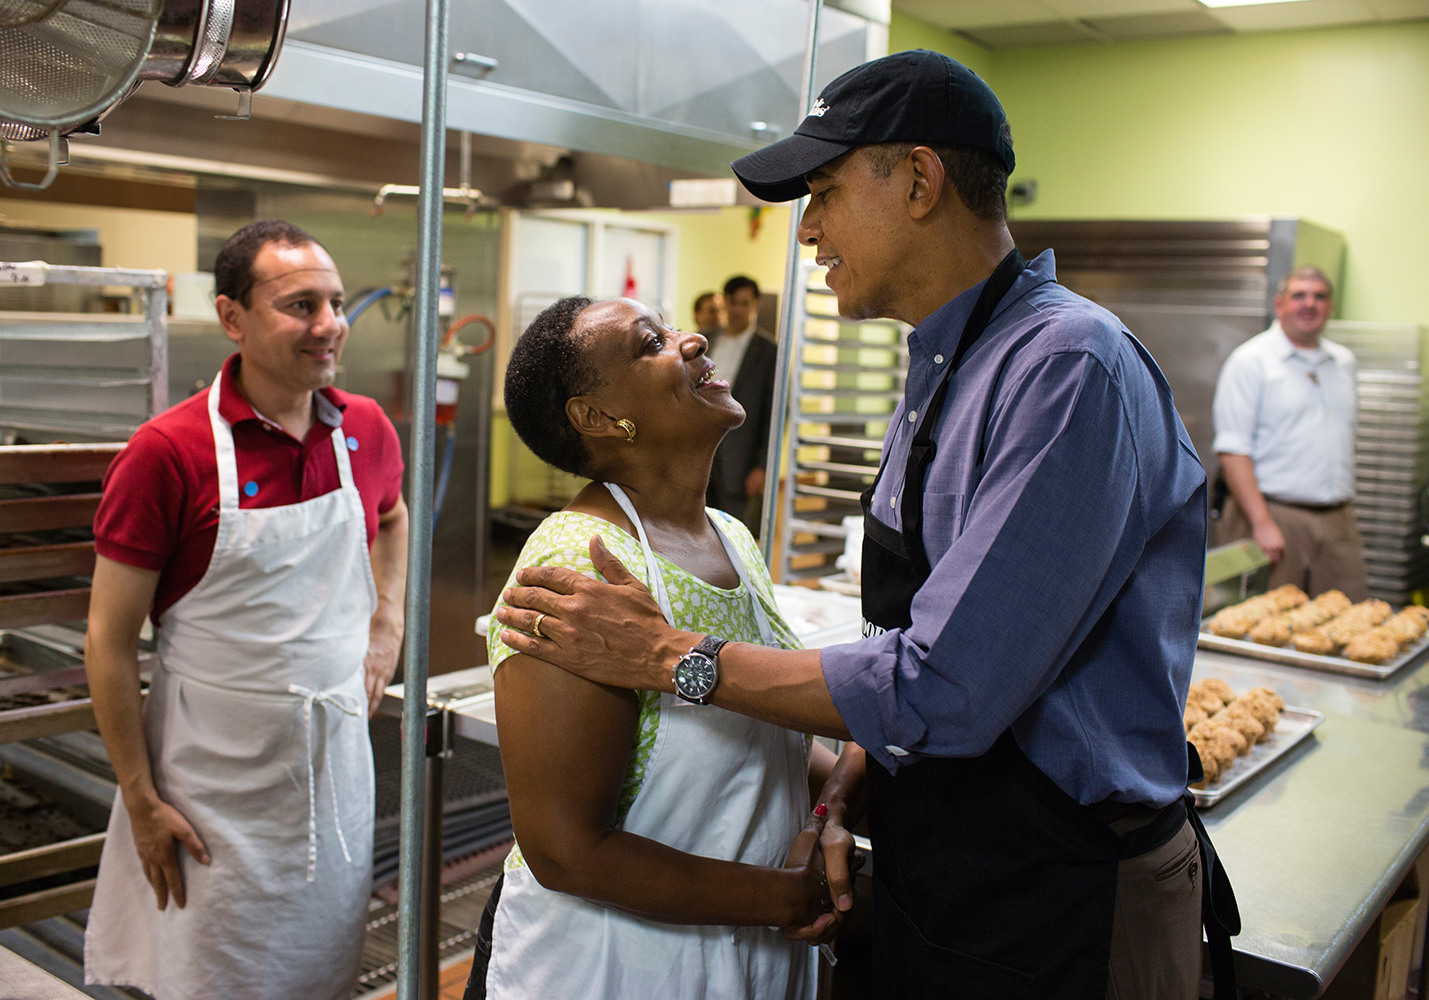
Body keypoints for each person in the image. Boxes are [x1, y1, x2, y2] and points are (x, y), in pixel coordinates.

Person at [494, 49, 1241, 1000]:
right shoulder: (945, 369)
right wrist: (852, 777)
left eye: (827, 190)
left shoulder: (1065, 368)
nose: (808, 229)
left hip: (1065, 897)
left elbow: (949, 683)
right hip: (960, 876)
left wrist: (666, 656)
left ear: (922, 180)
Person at [463, 295, 836, 1000]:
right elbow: (568, 851)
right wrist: (787, 899)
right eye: (650, 343)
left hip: (747, 956)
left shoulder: (730, 536)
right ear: (599, 419)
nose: (691, 340)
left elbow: (758, 735)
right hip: (611, 968)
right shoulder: (580, 562)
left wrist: (835, 801)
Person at [83, 220, 408, 1000]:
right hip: (208, 785)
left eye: (334, 303)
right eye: (301, 305)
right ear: (233, 317)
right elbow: (108, 640)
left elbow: (392, 519)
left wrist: (385, 623)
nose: (330, 325)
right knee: (206, 970)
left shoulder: (363, 427)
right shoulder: (167, 453)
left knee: (318, 963)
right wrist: (139, 799)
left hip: (332, 769)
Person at [1212, 266, 1366, 599]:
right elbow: (1232, 450)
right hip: (1272, 516)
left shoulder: (1343, 363)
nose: (1309, 304)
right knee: (1262, 626)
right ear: (1280, 304)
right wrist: (1262, 522)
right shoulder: (1251, 362)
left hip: (1337, 519)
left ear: (1331, 307)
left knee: (1345, 625)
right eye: (1299, 295)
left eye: (1319, 296)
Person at [706, 275, 777, 536]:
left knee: (732, 535)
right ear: (724, 302)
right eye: (733, 302)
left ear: (755, 305)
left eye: (744, 304)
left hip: (740, 461)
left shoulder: (769, 351)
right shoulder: (705, 340)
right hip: (700, 453)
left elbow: (774, 413)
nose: (737, 310)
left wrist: (762, 466)